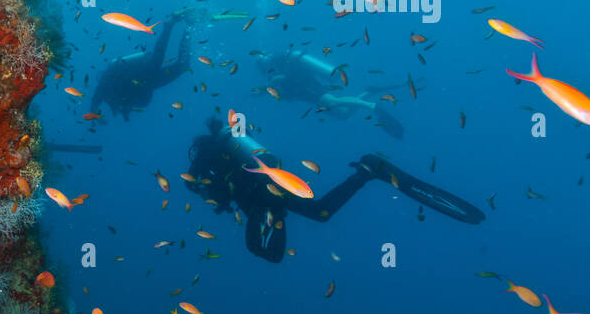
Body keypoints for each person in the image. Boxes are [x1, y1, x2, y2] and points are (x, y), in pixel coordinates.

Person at [184, 118, 484, 263]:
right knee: (304, 225)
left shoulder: (205, 162)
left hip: (264, 193)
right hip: (269, 190)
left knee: (312, 218)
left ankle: (368, 172)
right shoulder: (219, 157)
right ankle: (367, 173)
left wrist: (203, 192)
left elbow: (220, 192)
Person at [254, 49, 407, 139]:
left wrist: (276, 81)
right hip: (308, 96)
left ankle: (373, 106)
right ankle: (367, 92)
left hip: (309, 88)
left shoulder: (280, 66)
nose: (264, 68)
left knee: (334, 101)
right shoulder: (274, 70)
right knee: (343, 114)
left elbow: (287, 77)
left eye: (262, 65)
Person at [89, 12, 192, 120]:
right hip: (151, 83)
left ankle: (169, 24)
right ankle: (189, 28)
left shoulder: (104, 87)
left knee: (158, 59)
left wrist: (94, 117)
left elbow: (94, 103)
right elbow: (96, 104)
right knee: (183, 66)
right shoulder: (113, 98)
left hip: (141, 73)